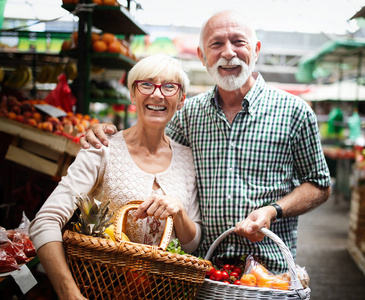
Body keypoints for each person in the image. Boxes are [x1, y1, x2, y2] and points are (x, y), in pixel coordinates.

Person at [81, 10, 331, 273]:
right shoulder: (187, 115)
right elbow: (149, 149)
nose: (228, 52)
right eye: (216, 44)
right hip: (203, 272)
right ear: (202, 56)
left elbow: (319, 185)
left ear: (256, 50)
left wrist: (274, 210)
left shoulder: (295, 112)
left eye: (238, 42)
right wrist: (109, 135)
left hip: (270, 273)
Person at [29, 53, 201, 300]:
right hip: (100, 289)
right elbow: (45, 221)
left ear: (181, 99)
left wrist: (179, 212)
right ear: (132, 94)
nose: (157, 94)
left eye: (169, 87)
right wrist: (69, 293)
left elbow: (191, 245)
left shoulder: (187, 159)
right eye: (146, 84)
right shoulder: (102, 149)